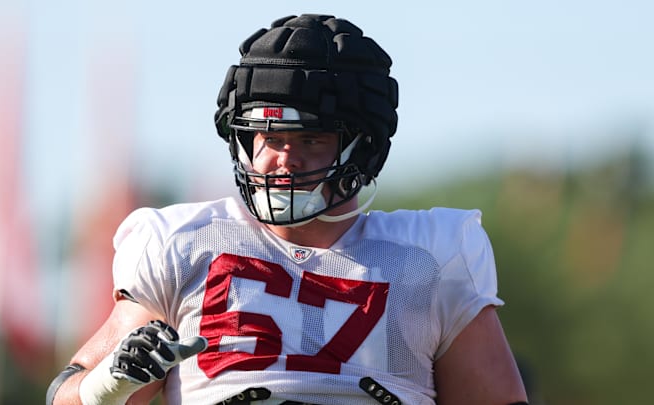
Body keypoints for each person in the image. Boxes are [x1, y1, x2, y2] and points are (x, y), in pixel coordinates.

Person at [47, 14, 529, 405]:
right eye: (270, 138)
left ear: (363, 149)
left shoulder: (430, 260)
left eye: (310, 139)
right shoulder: (184, 246)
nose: (283, 158)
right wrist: (106, 387)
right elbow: (68, 398)